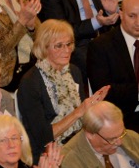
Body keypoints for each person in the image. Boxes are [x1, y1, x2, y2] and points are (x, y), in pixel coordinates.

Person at [19, 19, 107, 154]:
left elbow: (84, 117)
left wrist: (94, 106)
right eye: (59, 46)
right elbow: (42, 137)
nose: (67, 50)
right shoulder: (30, 82)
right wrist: (78, 112)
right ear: (44, 47)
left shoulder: (73, 71)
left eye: (69, 44)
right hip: (49, 152)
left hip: (78, 143)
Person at [89, 0, 139, 132]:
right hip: (122, 120)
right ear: (121, 14)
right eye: (132, 16)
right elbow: (103, 92)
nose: (138, 22)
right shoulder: (101, 46)